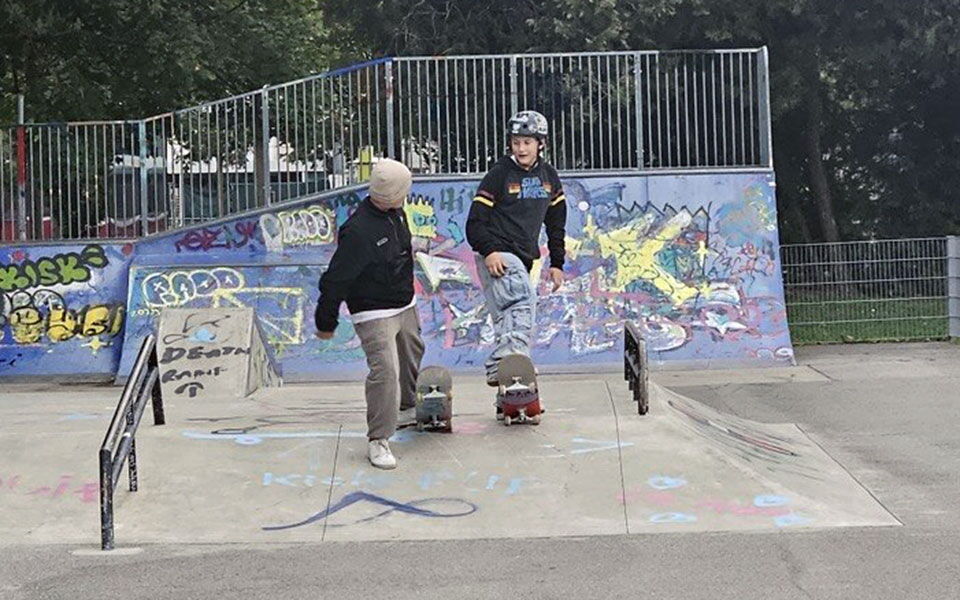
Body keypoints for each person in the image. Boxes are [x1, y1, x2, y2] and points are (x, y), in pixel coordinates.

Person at [314, 158, 424, 469]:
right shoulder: (358, 231)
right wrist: (326, 320)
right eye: (404, 190)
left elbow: (399, 248)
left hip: (404, 302)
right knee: (385, 372)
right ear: (393, 194)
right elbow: (336, 279)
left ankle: (406, 407)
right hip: (373, 311)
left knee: (412, 353)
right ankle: (379, 439)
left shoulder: (397, 213)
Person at [465, 110, 567, 415]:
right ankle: (505, 368)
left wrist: (557, 263)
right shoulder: (499, 174)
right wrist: (490, 251)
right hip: (499, 254)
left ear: (540, 144)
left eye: (527, 142)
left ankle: (509, 396)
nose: (520, 149)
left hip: (525, 259)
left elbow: (556, 224)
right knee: (522, 307)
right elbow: (475, 222)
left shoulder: (549, 177)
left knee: (508, 322)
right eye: (516, 142)